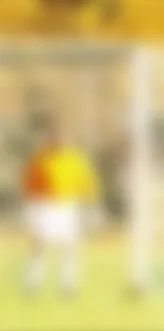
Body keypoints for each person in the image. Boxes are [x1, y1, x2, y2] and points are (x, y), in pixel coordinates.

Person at [21, 121, 99, 296]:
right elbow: (29, 186)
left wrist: (90, 204)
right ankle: (31, 283)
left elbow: (86, 183)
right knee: (38, 246)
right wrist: (32, 210)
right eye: (52, 137)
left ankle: (68, 286)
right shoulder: (40, 160)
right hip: (44, 206)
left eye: (60, 137)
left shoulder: (73, 159)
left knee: (69, 247)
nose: (57, 140)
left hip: (67, 206)